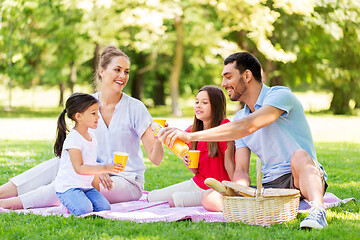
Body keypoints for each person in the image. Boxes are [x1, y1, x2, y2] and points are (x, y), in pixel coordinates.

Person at [159, 52, 328, 229]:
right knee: (209, 198)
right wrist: (238, 192)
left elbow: (249, 125)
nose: (224, 84)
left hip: (301, 176)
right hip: (270, 186)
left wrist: (190, 136)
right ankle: (257, 210)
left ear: (247, 75)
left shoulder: (279, 96)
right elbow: (240, 170)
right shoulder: (240, 117)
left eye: (228, 77)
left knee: (300, 155)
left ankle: (317, 211)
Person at [0, 46, 164, 210]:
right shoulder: (87, 105)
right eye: (117, 69)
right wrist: (97, 170)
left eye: (126, 71)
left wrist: (159, 138)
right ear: (102, 71)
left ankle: (7, 204)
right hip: (92, 170)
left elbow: (155, 159)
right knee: (55, 165)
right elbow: (76, 149)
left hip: (126, 180)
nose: (123, 76)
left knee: (70, 183)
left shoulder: (136, 108)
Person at [147, 86, 235, 207]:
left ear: (216, 106)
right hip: (198, 183)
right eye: (197, 102)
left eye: (204, 102)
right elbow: (195, 170)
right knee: (152, 197)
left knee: (175, 200)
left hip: (217, 188)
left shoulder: (223, 128)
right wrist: (186, 161)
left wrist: (235, 189)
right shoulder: (191, 131)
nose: (198, 105)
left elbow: (230, 164)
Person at [54, 93, 122, 216]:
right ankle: (67, 206)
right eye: (93, 113)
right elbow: (79, 168)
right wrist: (105, 168)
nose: (98, 117)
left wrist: (96, 192)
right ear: (79, 116)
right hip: (68, 188)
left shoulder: (92, 137)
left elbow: (92, 166)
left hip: (86, 187)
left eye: (97, 112)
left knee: (104, 208)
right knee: (84, 210)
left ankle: (79, 201)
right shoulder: (74, 139)